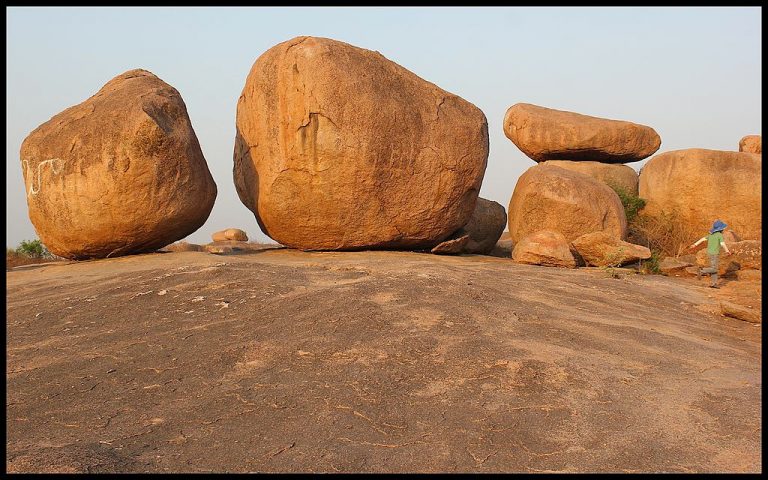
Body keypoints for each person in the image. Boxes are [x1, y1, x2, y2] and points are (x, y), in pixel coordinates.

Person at [688, 219, 732, 288]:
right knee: (714, 269)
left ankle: (713, 284)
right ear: (720, 229)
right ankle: (702, 271)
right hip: (714, 253)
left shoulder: (711, 235)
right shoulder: (719, 235)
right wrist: (727, 251)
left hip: (709, 253)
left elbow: (702, 239)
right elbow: (722, 244)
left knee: (714, 269)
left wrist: (695, 244)